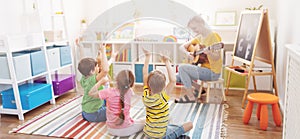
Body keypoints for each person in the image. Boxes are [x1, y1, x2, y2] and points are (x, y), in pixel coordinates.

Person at [142, 48, 193, 138]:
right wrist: (166, 61)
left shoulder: (146, 96)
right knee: (189, 125)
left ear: (149, 85)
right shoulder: (163, 97)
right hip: (161, 135)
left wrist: (147, 57)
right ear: (164, 86)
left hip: (148, 134)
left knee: (169, 122)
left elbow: (145, 74)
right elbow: (173, 80)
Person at [175, 15, 223, 103]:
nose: (194, 31)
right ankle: (200, 88)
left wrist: (209, 53)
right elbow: (181, 47)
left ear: (202, 23)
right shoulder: (199, 37)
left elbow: (217, 57)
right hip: (203, 70)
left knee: (182, 68)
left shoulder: (214, 36)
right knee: (177, 77)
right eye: (192, 29)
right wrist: (188, 53)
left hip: (212, 72)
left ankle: (191, 97)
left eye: (195, 28)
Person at [87, 69, 145, 137]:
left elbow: (90, 93)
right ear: (130, 83)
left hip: (111, 129)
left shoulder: (108, 92)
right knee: (144, 120)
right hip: (127, 129)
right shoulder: (130, 92)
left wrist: (100, 82)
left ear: (117, 81)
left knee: (136, 121)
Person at [77, 44, 110, 122]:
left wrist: (80, 46)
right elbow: (105, 70)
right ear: (92, 71)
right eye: (97, 67)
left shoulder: (84, 77)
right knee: (116, 110)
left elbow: (83, 61)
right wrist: (103, 50)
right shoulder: (92, 79)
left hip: (85, 112)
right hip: (94, 114)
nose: (98, 68)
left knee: (106, 98)